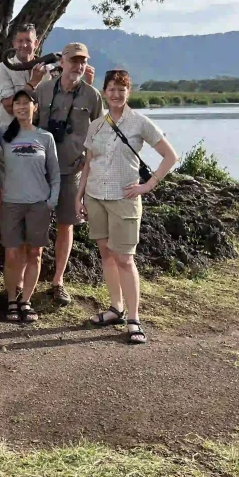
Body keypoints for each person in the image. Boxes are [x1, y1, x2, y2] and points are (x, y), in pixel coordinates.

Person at [78, 69, 179, 344]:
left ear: (128, 92)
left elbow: (170, 156)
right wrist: (80, 195)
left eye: (121, 89)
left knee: (124, 258)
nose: (116, 93)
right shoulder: (97, 124)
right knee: (106, 254)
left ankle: (134, 318)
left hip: (125, 199)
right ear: (104, 91)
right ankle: (116, 308)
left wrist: (148, 186)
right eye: (111, 88)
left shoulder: (140, 123)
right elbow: (88, 162)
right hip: (95, 196)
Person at [33, 42, 103, 306]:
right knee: (37, 227)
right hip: (41, 170)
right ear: (61, 61)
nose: (78, 66)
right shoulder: (43, 89)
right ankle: (28, 282)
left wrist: (90, 168)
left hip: (72, 171)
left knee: (66, 225)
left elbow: (99, 135)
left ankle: (58, 282)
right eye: (73, 60)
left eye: (82, 61)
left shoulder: (92, 95)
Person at [0, 88, 61, 322]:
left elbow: (54, 173)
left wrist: (51, 201)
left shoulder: (45, 137)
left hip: (38, 204)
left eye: (27, 103)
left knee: (35, 254)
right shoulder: (3, 134)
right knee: (12, 254)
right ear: (12, 108)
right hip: (11, 203)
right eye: (17, 103)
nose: (22, 107)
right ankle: (11, 300)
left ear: (35, 107)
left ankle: (26, 301)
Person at [0, 23, 50, 254]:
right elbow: (8, 104)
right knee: (0, 191)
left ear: (37, 43)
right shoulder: (3, 68)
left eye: (29, 41)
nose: (25, 45)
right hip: (8, 137)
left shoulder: (47, 70)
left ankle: (25, 242)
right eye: (20, 41)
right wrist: (33, 82)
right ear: (14, 44)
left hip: (37, 139)